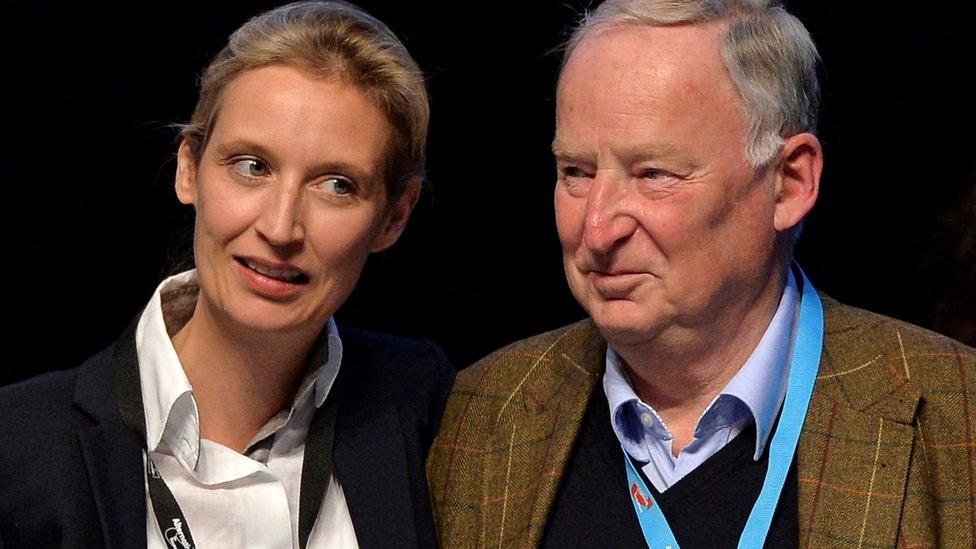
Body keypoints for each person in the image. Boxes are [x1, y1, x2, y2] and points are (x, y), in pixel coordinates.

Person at [428, 0, 976, 547]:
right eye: (576, 172)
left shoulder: (956, 415)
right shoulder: (482, 415)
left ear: (788, 183)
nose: (596, 229)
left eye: (654, 174)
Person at [0, 2, 453, 547]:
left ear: (395, 216)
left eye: (336, 185)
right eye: (252, 166)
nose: (281, 227)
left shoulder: (426, 409)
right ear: (188, 169)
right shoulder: (17, 446)